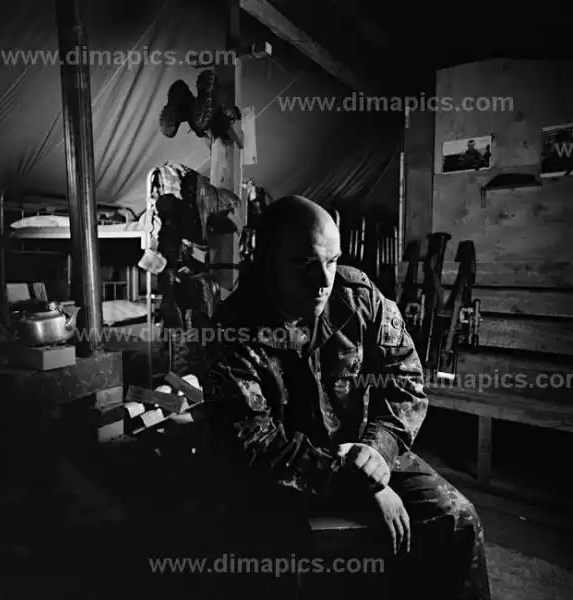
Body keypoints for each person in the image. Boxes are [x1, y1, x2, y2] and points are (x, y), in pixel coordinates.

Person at [199, 195, 491, 600]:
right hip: (286, 470)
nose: (323, 280)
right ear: (266, 261)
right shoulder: (231, 331)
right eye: (305, 264)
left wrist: (379, 450)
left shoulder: (357, 295)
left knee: (457, 520)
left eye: (332, 261)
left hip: (364, 448)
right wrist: (360, 483)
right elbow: (254, 443)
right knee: (277, 555)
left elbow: (404, 376)